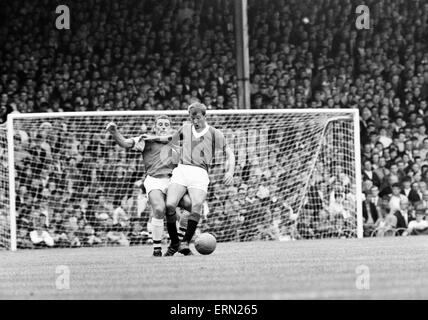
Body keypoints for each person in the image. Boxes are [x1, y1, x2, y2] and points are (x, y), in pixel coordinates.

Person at [106, 115, 191, 257]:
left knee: (190, 205)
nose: (163, 127)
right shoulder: (145, 139)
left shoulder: (175, 142)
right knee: (159, 209)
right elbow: (125, 143)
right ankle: (157, 249)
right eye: (160, 124)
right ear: (155, 127)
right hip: (154, 180)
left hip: (173, 181)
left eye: (166, 124)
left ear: (170, 127)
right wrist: (114, 132)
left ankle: (179, 242)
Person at [164, 102, 235, 256]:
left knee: (196, 205)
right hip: (182, 170)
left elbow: (230, 153)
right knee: (169, 205)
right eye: (192, 118)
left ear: (204, 116)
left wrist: (230, 171)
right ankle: (175, 242)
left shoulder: (215, 133)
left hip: (200, 173)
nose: (194, 121)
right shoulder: (185, 128)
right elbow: (171, 144)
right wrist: (172, 158)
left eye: (197, 118)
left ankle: (185, 242)